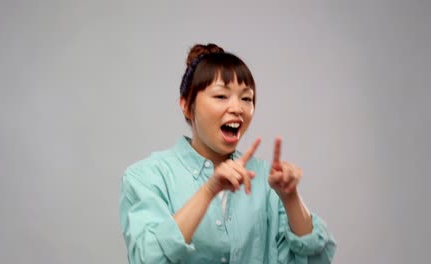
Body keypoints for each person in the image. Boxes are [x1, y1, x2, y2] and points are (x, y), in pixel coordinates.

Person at [119, 43, 336, 263]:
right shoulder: (146, 177)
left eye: (246, 98)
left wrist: (290, 199)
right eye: (221, 96)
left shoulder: (265, 179)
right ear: (186, 105)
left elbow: (317, 260)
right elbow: (146, 259)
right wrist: (208, 191)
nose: (237, 108)